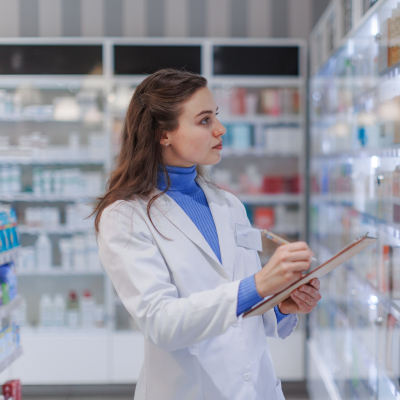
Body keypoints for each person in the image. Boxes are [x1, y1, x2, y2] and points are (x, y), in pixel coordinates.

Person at [93, 69, 321, 400]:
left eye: (216, 116)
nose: (220, 129)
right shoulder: (125, 216)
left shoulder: (228, 205)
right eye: (204, 121)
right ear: (163, 134)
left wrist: (281, 306)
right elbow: (162, 323)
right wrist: (258, 286)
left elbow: (242, 308)